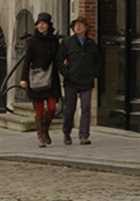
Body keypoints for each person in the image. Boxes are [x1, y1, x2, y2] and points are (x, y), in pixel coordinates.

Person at [56, 15, 101, 145]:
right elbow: (59, 60)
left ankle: (84, 135)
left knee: (86, 107)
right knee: (70, 109)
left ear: (86, 28)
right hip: (71, 81)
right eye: (76, 25)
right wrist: (66, 73)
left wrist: (94, 73)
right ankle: (66, 132)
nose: (78, 26)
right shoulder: (67, 42)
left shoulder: (91, 44)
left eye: (81, 24)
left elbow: (97, 61)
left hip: (86, 81)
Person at [19, 12, 62, 147]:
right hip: (37, 77)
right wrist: (23, 78)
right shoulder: (32, 41)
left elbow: (58, 57)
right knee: (39, 109)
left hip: (51, 77)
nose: (41, 26)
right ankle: (40, 137)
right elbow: (27, 61)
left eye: (43, 24)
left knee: (52, 107)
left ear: (49, 25)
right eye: (39, 24)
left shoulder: (54, 40)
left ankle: (44, 130)